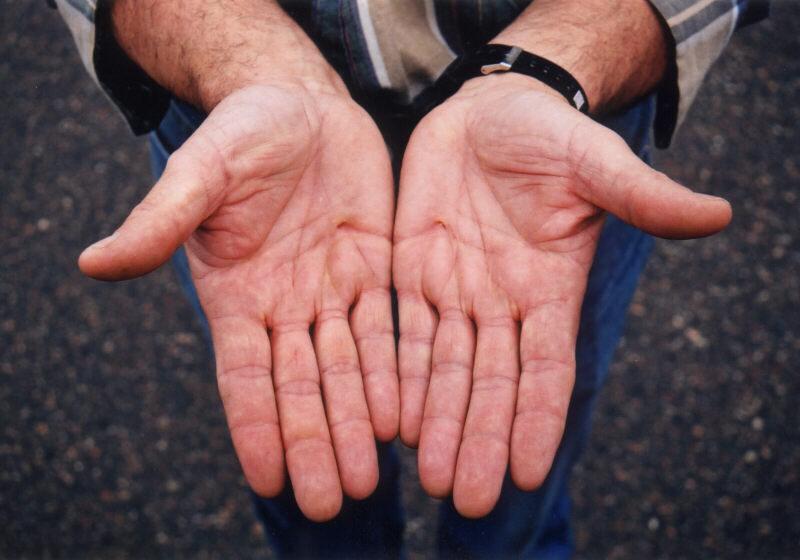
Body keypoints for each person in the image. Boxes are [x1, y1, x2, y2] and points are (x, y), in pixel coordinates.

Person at [51, 0, 769, 557]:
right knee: (304, 417)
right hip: (241, 124)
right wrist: (249, 62)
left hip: (555, 131)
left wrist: (555, 60)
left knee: (523, 411)